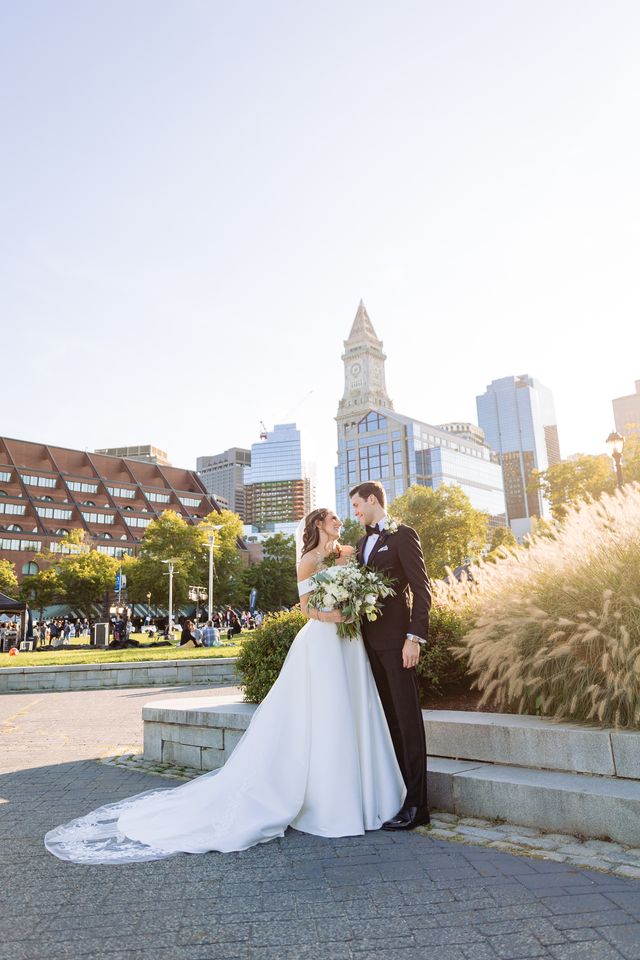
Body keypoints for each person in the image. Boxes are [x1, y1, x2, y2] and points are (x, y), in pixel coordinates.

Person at [44, 507, 404, 864]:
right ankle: (327, 799)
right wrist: (332, 615)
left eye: (341, 518)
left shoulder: (347, 553)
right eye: (333, 519)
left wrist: (355, 603)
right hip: (323, 639)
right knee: (324, 711)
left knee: (354, 706)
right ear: (318, 525)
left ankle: (363, 794)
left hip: (349, 641)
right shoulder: (308, 560)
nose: (340, 522)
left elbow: (359, 585)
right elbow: (305, 608)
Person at [350, 480, 432, 830]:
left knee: (407, 720)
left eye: (357, 506)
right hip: (367, 645)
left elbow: (421, 588)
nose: (355, 512)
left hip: (398, 644)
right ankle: (398, 798)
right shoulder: (360, 543)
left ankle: (418, 806)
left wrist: (414, 638)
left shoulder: (403, 534)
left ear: (372, 500)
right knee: (389, 723)